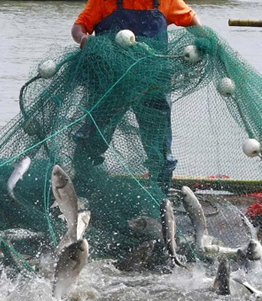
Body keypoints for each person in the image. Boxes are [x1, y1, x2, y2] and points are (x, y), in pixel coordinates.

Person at [70, 0, 201, 194]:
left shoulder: (167, 1)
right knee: (93, 138)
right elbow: (79, 27)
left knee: (159, 147)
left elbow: (193, 23)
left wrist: (205, 43)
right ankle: (83, 191)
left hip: (153, 85)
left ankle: (159, 196)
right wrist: (83, 39)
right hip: (111, 84)